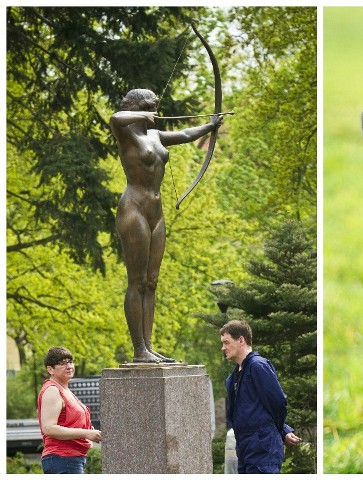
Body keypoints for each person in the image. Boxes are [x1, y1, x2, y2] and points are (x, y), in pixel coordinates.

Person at [110, 88, 222, 363]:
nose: (156, 112)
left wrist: (210, 125)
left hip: (156, 212)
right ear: (137, 107)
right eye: (151, 107)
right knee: (136, 281)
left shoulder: (155, 136)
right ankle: (139, 350)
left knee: (151, 281)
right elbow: (115, 117)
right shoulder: (126, 134)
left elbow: (185, 135)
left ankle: (148, 347)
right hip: (133, 208)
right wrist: (139, 114)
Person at [220, 320, 301, 473]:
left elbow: (277, 403)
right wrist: (283, 430)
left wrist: (280, 431)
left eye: (226, 342)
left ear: (241, 340)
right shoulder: (234, 377)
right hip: (244, 450)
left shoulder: (258, 366)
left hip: (263, 450)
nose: (223, 347)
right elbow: (261, 409)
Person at [37, 346, 101, 474]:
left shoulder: (65, 390)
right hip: (62, 459)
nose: (69, 366)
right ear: (50, 369)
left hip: (71, 460)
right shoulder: (52, 390)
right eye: (62, 363)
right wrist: (85, 433)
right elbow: (49, 428)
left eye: (71, 362)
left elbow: (70, 422)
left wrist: (91, 431)